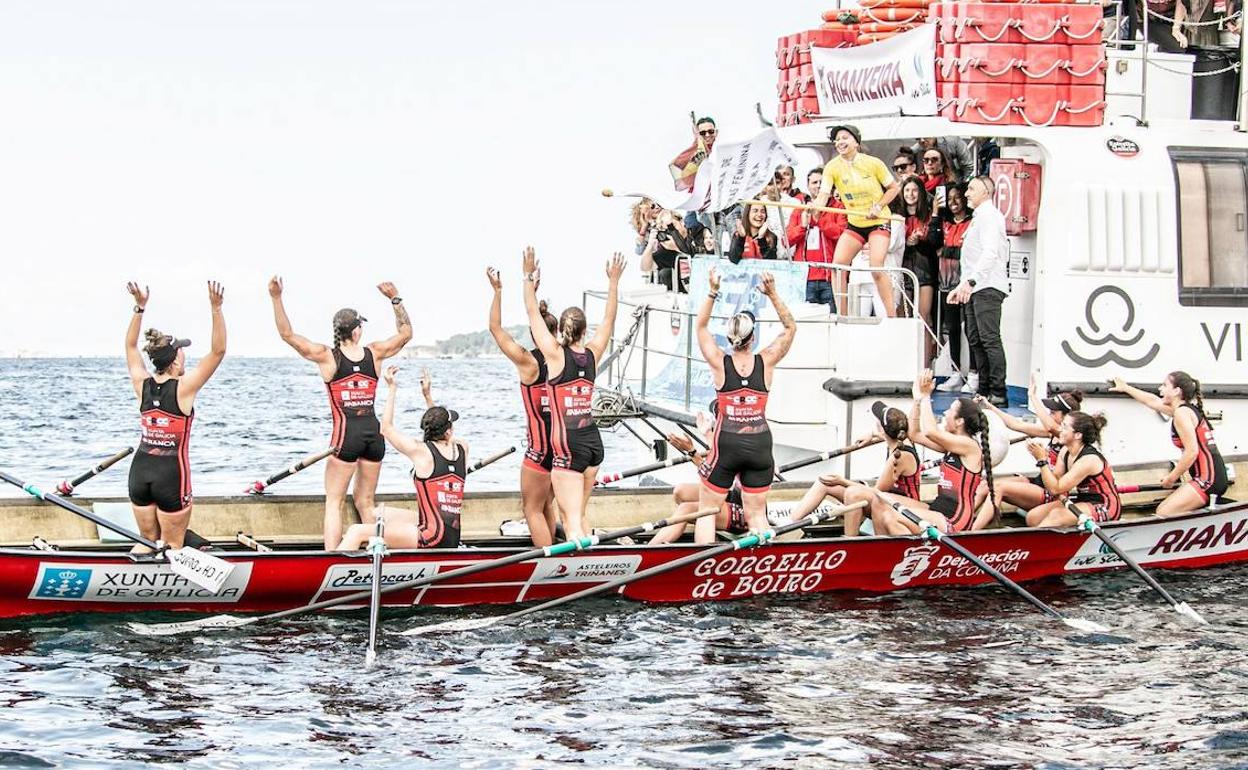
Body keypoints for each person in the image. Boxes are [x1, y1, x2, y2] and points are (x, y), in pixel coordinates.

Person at [268, 277, 412, 549]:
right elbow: (406, 334)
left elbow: (288, 335)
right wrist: (395, 299)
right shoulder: (376, 353)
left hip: (346, 437)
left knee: (334, 502)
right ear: (357, 331)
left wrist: (276, 298)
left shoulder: (327, 356)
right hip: (374, 436)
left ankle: (331, 557)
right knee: (365, 502)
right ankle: (374, 552)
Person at [523, 247, 625, 541]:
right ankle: (589, 564)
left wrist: (527, 276)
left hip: (567, 447)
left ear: (564, 331)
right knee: (579, 514)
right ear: (583, 331)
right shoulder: (592, 354)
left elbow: (532, 313)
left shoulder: (555, 356)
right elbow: (609, 320)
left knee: (571, 522)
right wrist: (614, 282)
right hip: (593, 444)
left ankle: (575, 573)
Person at [693, 269, 797, 543]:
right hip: (760, 444)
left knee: (707, 511)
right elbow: (790, 327)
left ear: (729, 339)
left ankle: (699, 569)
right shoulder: (767, 360)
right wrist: (772, 294)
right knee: (756, 516)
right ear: (753, 338)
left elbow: (701, 327)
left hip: (727, 443)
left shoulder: (719, 362)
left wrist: (713, 291)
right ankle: (759, 570)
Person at [123, 280, 226, 552]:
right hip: (171, 476)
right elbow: (218, 352)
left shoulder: (141, 383)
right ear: (176, 360)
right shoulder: (184, 389)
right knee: (172, 546)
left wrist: (139, 307)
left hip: (139, 473)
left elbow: (131, 347)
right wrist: (216, 309)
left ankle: (125, 582)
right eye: (182, 351)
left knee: (147, 541)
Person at [850, 369, 998, 535]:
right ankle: (884, 549)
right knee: (881, 500)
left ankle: (901, 554)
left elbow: (930, 432)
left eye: (950, 411)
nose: (945, 413)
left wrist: (927, 396)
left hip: (954, 519)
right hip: (937, 509)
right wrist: (917, 401)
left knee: (891, 516)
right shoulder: (951, 445)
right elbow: (914, 434)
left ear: (959, 421)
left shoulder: (969, 446)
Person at [336, 367, 468, 550]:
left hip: (432, 538)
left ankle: (329, 570)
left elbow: (386, 429)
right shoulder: (462, 448)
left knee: (356, 531)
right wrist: (428, 397)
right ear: (448, 430)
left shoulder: (420, 451)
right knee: (377, 513)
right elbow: (442, 430)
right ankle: (376, 549)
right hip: (451, 534)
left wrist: (392, 388)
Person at [486, 267, 560, 547]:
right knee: (546, 506)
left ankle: (548, 562)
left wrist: (497, 291)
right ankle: (556, 555)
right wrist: (533, 293)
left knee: (531, 509)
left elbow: (495, 329)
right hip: (565, 448)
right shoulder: (563, 360)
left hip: (540, 451)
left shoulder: (529, 363)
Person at [787, 401, 921, 537]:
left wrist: (842, 481)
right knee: (824, 482)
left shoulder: (899, 457)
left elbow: (877, 492)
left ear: (883, 429)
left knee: (853, 493)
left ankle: (850, 540)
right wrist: (871, 434)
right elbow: (883, 435)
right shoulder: (897, 438)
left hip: (903, 507)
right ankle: (789, 525)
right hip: (886, 499)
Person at [810, 124, 902, 317]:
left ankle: (892, 316)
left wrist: (877, 207)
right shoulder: (832, 167)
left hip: (878, 220)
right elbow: (823, 194)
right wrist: (816, 207)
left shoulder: (873, 163)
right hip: (855, 223)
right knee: (838, 266)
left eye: (845, 137)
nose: (840, 142)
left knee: (876, 267)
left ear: (856, 142)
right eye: (837, 139)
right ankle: (842, 314)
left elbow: (894, 188)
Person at [1111, 371, 1229, 515]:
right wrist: (1126, 388)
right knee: (1163, 509)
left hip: (1209, 479)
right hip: (1211, 476)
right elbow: (1152, 401)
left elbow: (1192, 452)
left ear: (1176, 391)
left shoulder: (1182, 414)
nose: (1160, 388)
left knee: (1163, 512)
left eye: (1164, 385)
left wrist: (1171, 478)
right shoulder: (1182, 410)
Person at [976, 378, 1084, 512]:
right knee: (984, 486)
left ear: (1066, 417)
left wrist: (1032, 397)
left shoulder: (1064, 436)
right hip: (1038, 483)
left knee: (997, 489)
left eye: (1053, 412)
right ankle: (961, 524)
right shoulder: (1052, 433)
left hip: (1050, 493)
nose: (1049, 415)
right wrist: (990, 406)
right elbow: (1016, 424)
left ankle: (971, 529)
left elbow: (1050, 426)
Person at [949, 175, 1010, 407]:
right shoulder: (979, 218)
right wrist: (962, 286)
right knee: (975, 338)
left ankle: (998, 390)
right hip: (974, 287)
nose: (966, 194)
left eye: (971, 189)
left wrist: (971, 282)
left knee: (989, 338)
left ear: (986, 191)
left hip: (988, 286)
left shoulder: (990, 217)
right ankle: (983, 388)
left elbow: (990, 252)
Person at [648, 415, 754, 544]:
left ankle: (651, 548)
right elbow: (714, 453)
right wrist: (706, 433)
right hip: (733, 496)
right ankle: (708, 530)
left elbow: (713, 477)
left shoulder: (746, 448)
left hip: (747, 513)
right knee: (680, 491)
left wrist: (691, 451)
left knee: (687, 508)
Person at [1024, 411, 1121, 527]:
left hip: (1106, 505)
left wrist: (1042, 461)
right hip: (1083, 500)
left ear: (1078, 435)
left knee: (1056, 516)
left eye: (1064, 427)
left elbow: (1055, 489)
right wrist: (1044, 459)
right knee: (1033, 517)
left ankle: (1039, 544)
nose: (1060, 429)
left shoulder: (1089, 460)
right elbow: (1053, 482)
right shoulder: (1065, 451)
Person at [936, 185, 976, 393]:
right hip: (946, 284)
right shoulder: (945, 223)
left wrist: (948, 250)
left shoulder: (972, 222)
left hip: (966, 284)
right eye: (949, 198)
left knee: (971, 329)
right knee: (951, 329)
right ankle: (955, 373)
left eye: (957, 197)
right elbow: (934, 245)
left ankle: (975, 374)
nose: (953, 202)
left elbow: (965, 252)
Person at [787, 168, 846, 309]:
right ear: (808, 186)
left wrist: (819, 218)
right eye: (814, 182)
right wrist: (802, 226)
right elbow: (787, 240)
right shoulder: (799, 210)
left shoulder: (839, 208)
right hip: (804, 277)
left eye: (822, 182)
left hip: (830, 277)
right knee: (807, 323)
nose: (819, 185)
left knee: (832, 321)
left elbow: (841, 235)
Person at [899, 176, 941, 363]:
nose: (910, 194)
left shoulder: (929, 215)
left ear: (921, 193)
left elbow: (935, 243)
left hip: (925, 271)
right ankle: (906, 361)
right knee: (902, 316)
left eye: (915, 190)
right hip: (903, 269)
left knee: (924, 318)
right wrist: (907, 243)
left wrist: (920, 241)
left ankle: (925, 365)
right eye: (907, 190)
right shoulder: (897, 216)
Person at [919, 147, 959, 212]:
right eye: (926, 160)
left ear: (942, 164)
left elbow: (940, 210)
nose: (929, 163)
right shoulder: (918, 182)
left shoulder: (948, 185)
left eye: (934, 160)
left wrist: (921, 189)